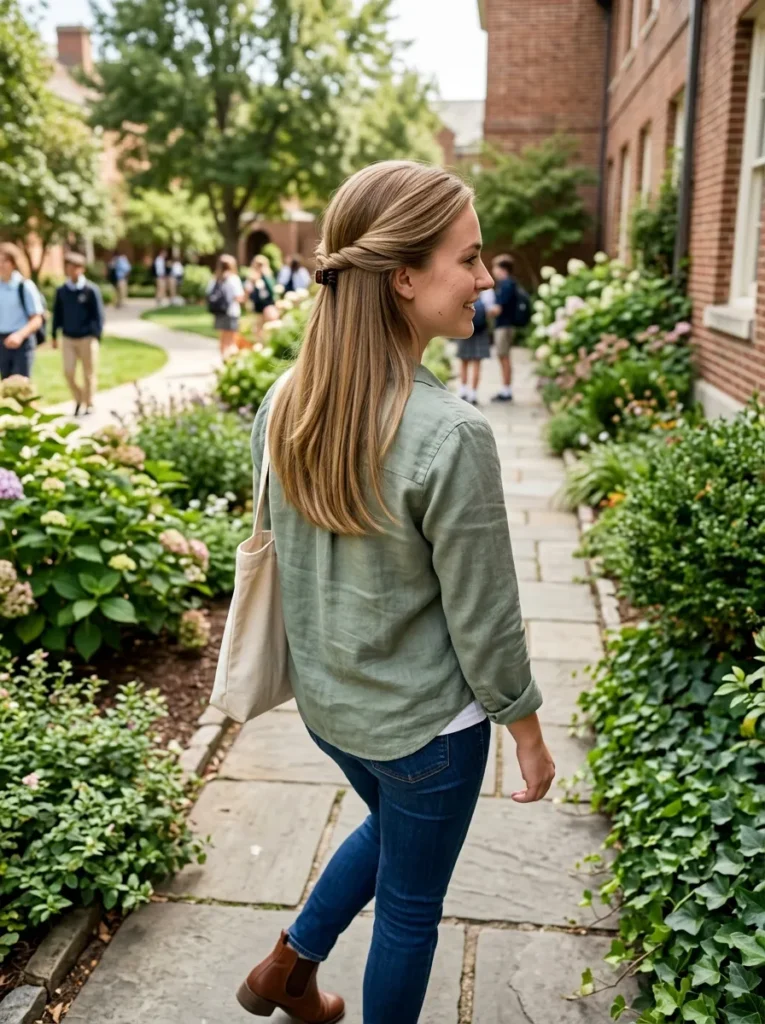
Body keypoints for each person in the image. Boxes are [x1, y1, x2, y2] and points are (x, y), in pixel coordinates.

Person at [236, 161, 554, 1024]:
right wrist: (525, 729)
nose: (486, 278)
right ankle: (288, 969)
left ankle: (287, 969)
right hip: (429, 733)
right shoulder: (450, 433)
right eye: (470, 258)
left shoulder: (282, 402)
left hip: (332, 715)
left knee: (390, 832)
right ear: (403, 276)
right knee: (410, 913)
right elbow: (486, 621)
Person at [51, 252, 105, 417]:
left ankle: (89, 403)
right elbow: (57, 314)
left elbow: (98, 315)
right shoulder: (62, 291)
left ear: (81, 269)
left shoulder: (90, 290)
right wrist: (54, 334)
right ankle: (79, 398)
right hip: (68, 337)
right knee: (68, 372)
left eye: (74, 267)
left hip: (87, 337)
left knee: (88, 373)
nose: (71, 270)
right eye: (68, 267)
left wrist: (95, 334)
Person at [0, 243, 44, 381]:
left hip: (22, 342)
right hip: (2, 343)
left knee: (20, 387)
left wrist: (19, 336)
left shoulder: (25, 286)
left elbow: (37, 319)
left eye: (4, 261)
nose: (1, 264)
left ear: (14, 263)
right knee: (5, 389)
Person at [455, 286, 494, 405]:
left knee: (464, 361)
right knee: (477, 363)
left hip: (465, 329)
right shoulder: (487, 290)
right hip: (480, 332)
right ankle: (474, 393)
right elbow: (490, 312)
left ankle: (463, 390)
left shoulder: (464, 285)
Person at [490, 254, 518, 402]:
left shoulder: (507, 284)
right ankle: (505, 388)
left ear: (502, 269)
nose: (493, 270)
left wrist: (483, 310)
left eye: (495, 267)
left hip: (504, 326)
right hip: (504, 325)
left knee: (504, 356)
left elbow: (499, 308)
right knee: (503, 356)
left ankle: (506, 390)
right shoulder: (506, 284)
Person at [206, 254, 245, 359]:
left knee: (222, 339)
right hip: (231, 312)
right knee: (231, 340)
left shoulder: (215, 279)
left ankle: (223, 357)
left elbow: (209, 293)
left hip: (219, 312)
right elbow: (239, 296)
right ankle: (229, 361)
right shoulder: (233, 279)